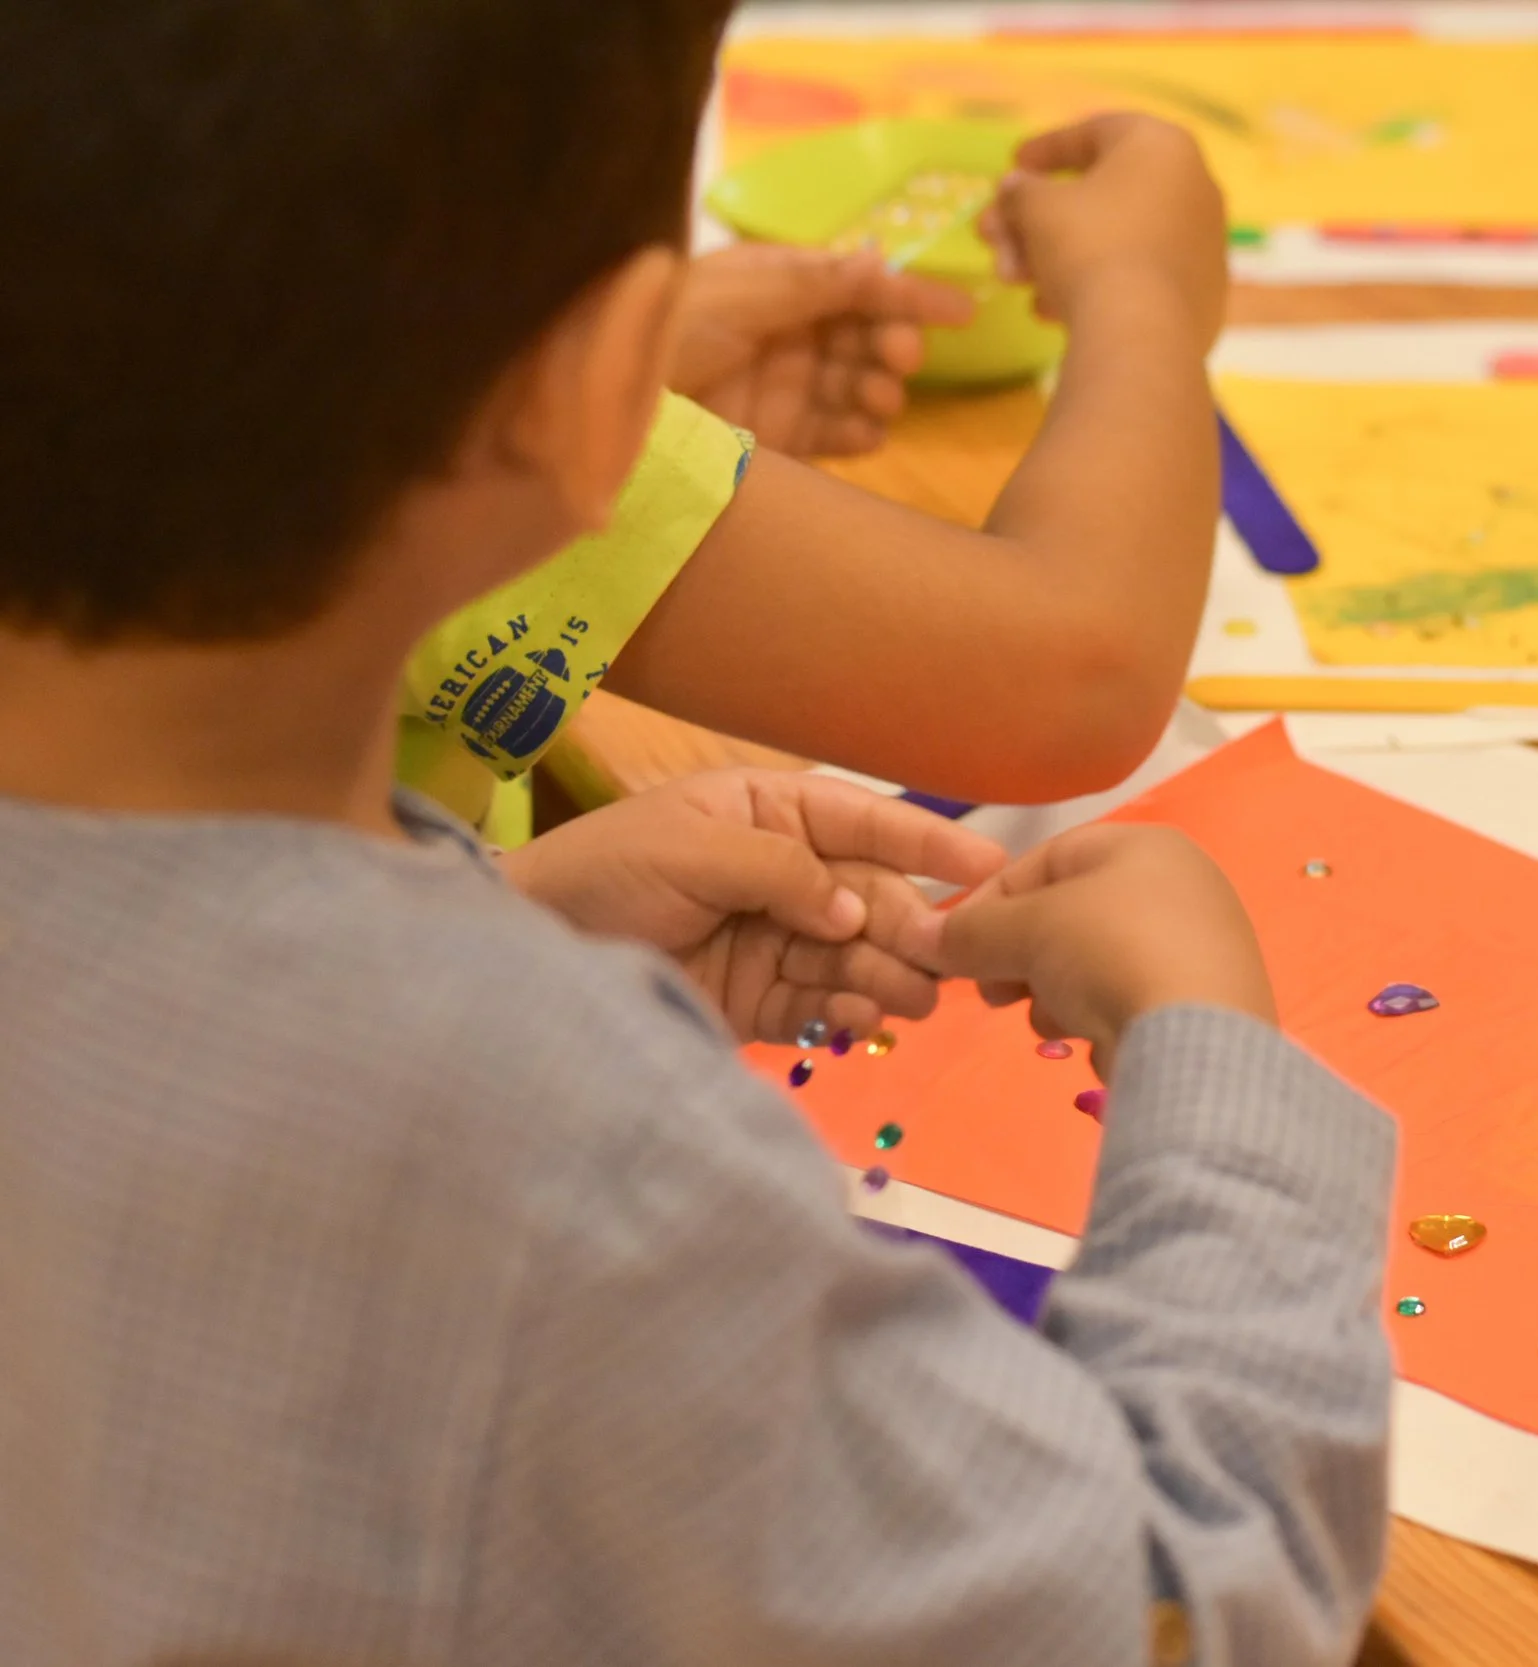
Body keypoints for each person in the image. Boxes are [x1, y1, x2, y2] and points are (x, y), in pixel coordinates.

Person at [0, 4, 1397, 1664]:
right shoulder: (562, 1163)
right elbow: (1173, 1604)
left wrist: (507, 916)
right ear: (612, 388)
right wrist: (1211, 1059)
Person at [402, 62, 1232, 841]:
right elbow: (1076, 685)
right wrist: (1142, 283)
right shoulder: (450, 424)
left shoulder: (364, 343)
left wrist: (625, 375)